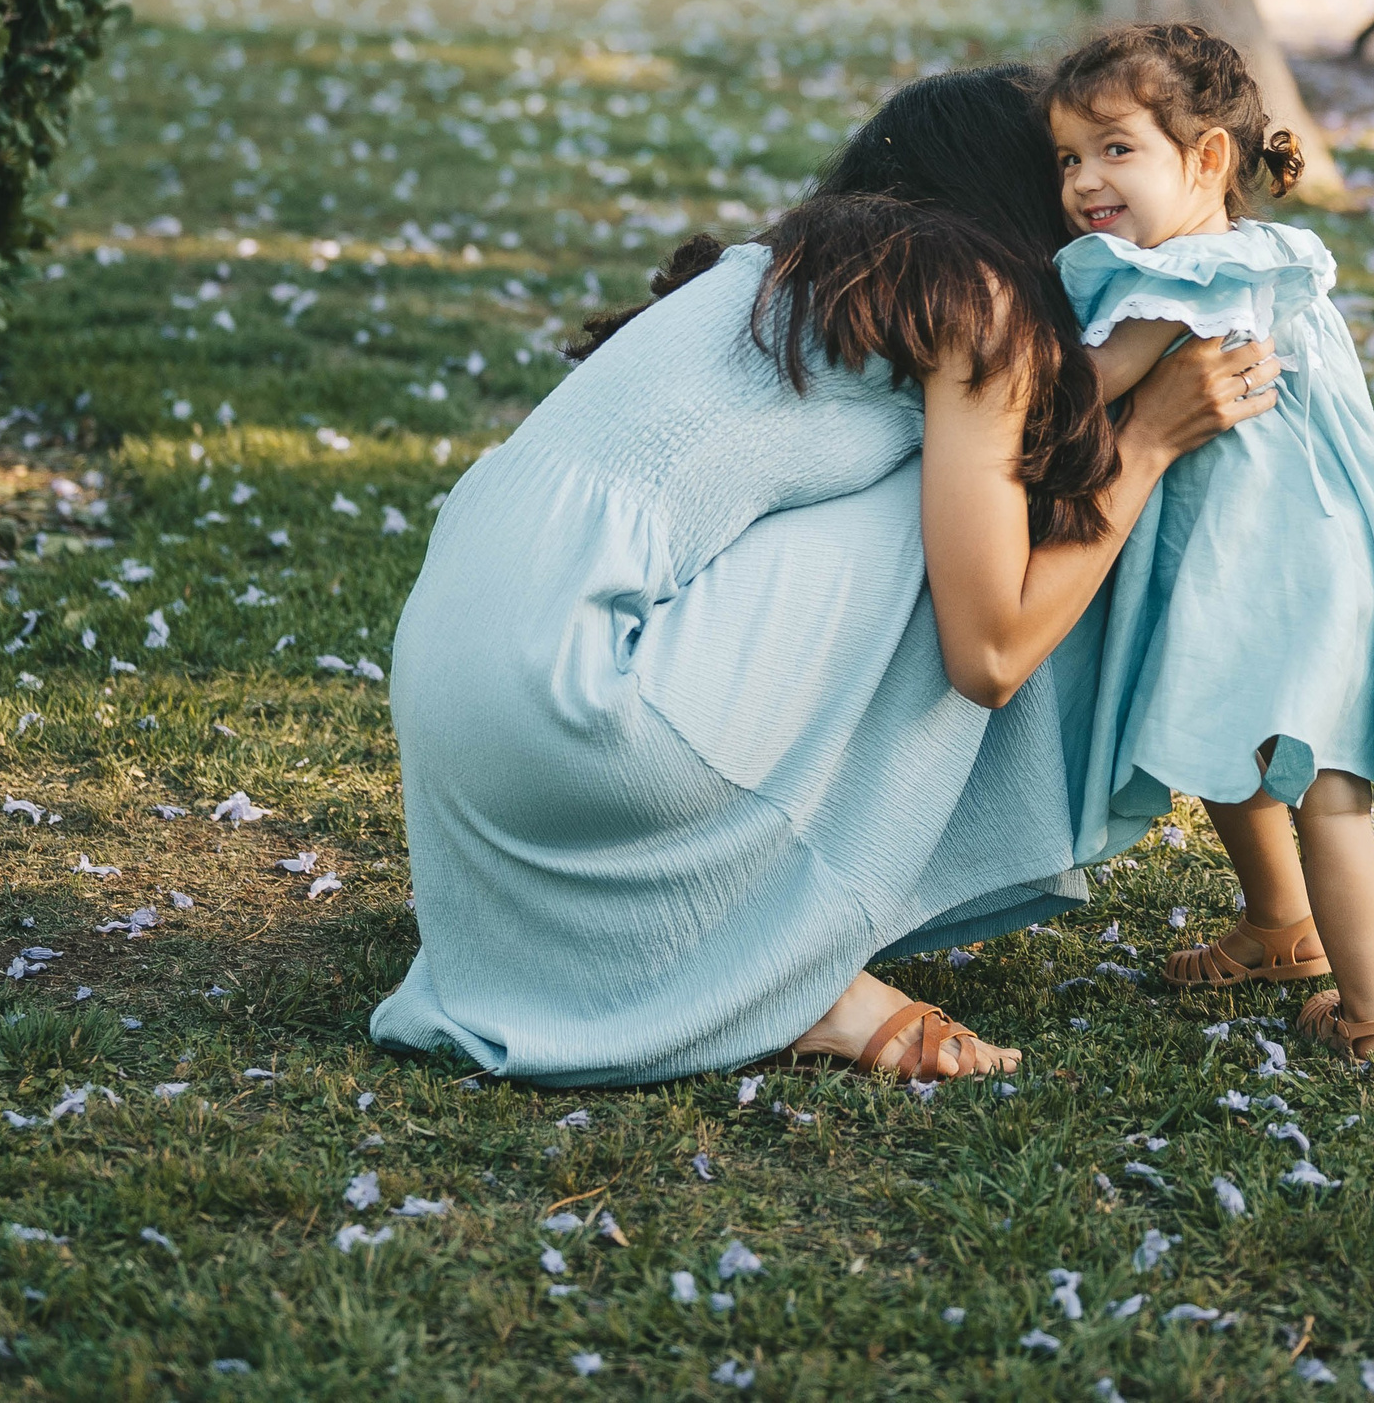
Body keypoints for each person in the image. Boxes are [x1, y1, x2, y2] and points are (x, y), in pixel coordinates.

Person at [368, 66, 1280, 1089]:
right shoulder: (978, 302)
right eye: (1064, 172)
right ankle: (772, 967)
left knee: (978, 469)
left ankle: (731, 941)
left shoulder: (790, 272)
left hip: (456, 721)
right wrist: (1147, 443)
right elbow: (989, 658)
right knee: (986, 515)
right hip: (589, 723)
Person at [1045, 24, 1374, 1063]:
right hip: (1294, 553)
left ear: (1205, 162)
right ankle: (1279, 927)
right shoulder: (1250, 258)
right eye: (1067, 157)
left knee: (1327, 789)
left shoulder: (1194, 273)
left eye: (1114, 149)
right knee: (1229, 726)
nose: (1081, 181)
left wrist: (968, 374)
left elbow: (1078, 391)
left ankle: (1372, 1019)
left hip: (1281, 564)